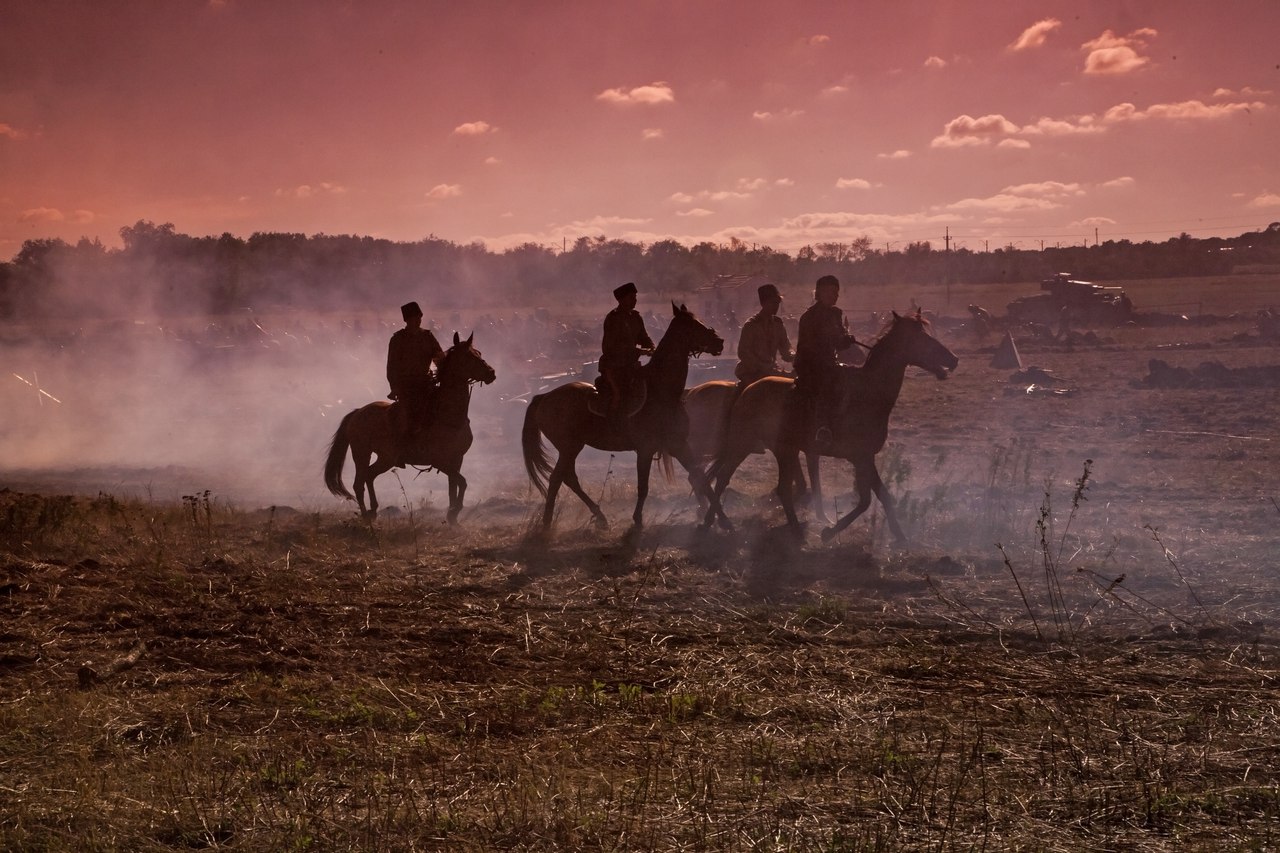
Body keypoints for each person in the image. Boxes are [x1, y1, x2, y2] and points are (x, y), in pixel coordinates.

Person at [794, 275, 856, 445]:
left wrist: (846, 340)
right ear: (819, 293)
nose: (835, 296)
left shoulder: (836, 314)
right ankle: (822, 426)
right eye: (831, 292)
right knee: (826, 383)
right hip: (809, 365)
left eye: (837, 292)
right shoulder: (809, 317)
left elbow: (839, 341)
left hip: (829, 363)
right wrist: (834, 342)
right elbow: (809, 347)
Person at [387, 301, 444, 465]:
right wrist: (395, 387)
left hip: (426, 383)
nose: (417, 320)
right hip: (407, 387)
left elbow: (439, 358)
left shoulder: (427, 336)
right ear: (407, 320)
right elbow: (392, 366)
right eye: (413, 318)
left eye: (418, 317)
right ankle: (401, 451)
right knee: (407, 418)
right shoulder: (397, 339)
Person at [598, 281, 655, 429]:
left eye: (635, 296)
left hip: (630, 366)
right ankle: (613, 426)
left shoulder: (636, 317)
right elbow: (610, 348)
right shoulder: (613, 318)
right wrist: (639, 352)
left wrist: (652, 347)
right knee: (619, 394)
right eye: (631, 297)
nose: (635, 300)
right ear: (621, 300)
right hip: (614, 366)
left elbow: (644, 337)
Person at [735, 283, 793, 386]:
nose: (776, 306)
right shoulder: (751, 325)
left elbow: (786, 349)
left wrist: (796, 357)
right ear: (763, 303)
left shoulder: (778, 324)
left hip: (771, 371)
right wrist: (762, 366)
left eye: (778, 302)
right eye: (773, 302)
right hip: (751, 373)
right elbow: (743, 353)